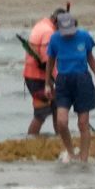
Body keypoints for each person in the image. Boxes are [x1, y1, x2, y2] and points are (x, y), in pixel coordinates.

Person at [45, 12, 95, 163]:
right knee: (61, 122)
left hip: (82, 81)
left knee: (83, 123)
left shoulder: (84, 36)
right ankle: (71, 152)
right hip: (63, 81)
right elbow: (50, 62)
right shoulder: (55, 39)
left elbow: (90, 58)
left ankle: (83, 159)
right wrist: (47, 84)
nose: (68, 35)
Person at [21, 8, 64, 137]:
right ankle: (30, 140)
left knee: (57, 105)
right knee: (41, 112)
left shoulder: (42, 25)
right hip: (37, 78)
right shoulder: (48, 33)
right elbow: (47, 61)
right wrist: (53, 80)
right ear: (56, 22)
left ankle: (60, 136)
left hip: (34, 75)